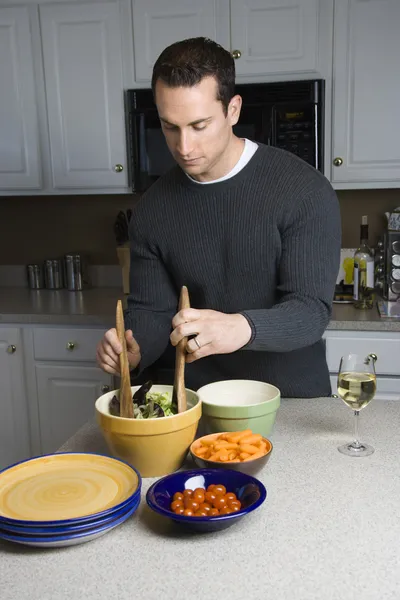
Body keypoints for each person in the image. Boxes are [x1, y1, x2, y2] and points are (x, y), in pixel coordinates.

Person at [96, 37, 341, 397]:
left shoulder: (304, 190)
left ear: (233, 110)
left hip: (291, 402)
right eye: (169, 126)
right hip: (197, 401)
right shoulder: (152, 208)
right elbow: (151, 310)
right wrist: (135, 349)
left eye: (199, 125)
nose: (184, 147)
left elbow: (309, 312)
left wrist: (240, 328)